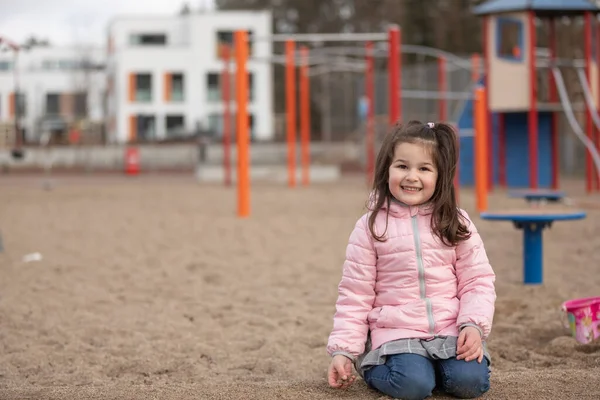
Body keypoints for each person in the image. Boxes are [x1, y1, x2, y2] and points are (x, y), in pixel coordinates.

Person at [326, 120, 496, 400]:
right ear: (387, 170)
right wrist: (345, 349)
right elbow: (355, 294)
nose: (412, 176)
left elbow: (477, 280)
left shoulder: (456, 221)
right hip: (396, 333)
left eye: (424, 169)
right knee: (413, 385)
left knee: (470, 383)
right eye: (402, 166)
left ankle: (434, 368)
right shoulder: (371, 226)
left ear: (440, 176)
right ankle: (374, 365)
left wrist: (472, 325)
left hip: (448, 328)